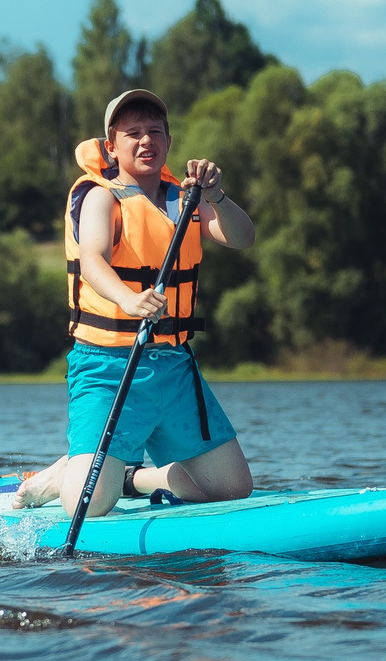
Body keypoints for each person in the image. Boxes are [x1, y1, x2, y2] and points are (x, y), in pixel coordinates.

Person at [15, 88, 258, 517]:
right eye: (133, 133)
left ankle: (134, 477)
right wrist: (128, 299)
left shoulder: (186, 200)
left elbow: (243, 238)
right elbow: (92, 259)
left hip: (172, 367)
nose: (146, 140)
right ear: (112, 146)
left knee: (232, 487)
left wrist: (216, 196)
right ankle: (57, 478)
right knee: (87, 508)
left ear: (168, 141)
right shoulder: (101, 196)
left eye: (155, 131)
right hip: (108, 366)